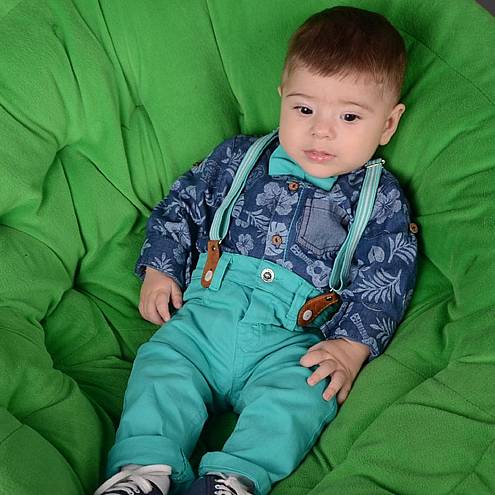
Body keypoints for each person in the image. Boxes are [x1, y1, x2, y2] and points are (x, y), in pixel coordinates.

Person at [95, 6, 417, 495]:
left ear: (388, 124)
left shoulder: (379, 199)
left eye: (350, 116)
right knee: (160, 370)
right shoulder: (237, 158)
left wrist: (351, 347)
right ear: (283, 97)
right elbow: (183, 205)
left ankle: (233, 477)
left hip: (290, 342)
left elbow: (388, 276)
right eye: (304, 110)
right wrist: (161, 268)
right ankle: (144, 470)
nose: (322, 130)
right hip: (204, 320)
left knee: (305, 396)